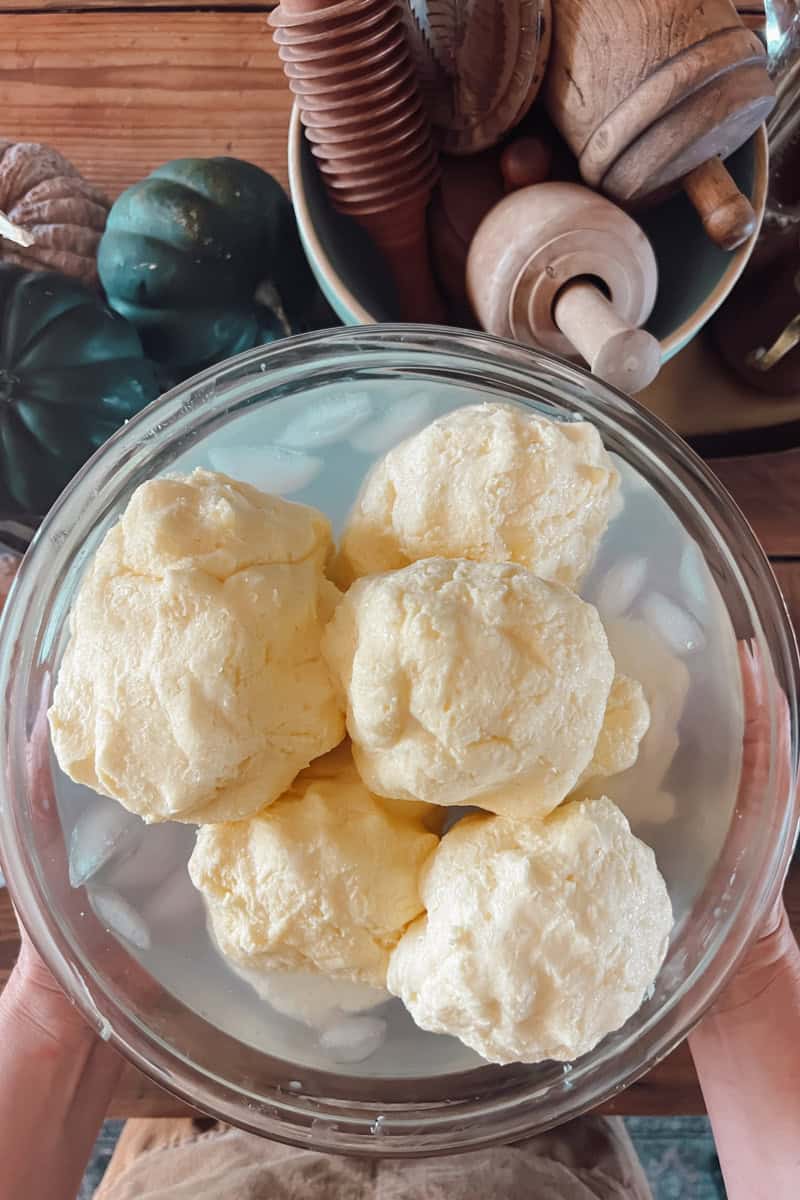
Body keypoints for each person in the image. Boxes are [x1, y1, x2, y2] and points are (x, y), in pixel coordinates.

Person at [1, 644, 798, 1200]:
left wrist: (55, 1008)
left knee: (234, 1065)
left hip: (205, 1168)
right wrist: (744, 969)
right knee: (517, 1064)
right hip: (538, 1169)